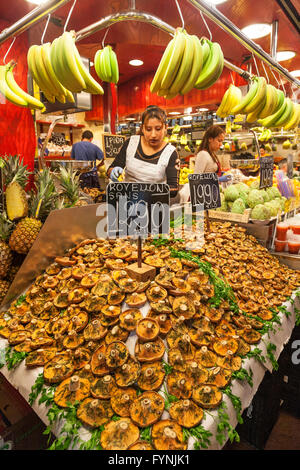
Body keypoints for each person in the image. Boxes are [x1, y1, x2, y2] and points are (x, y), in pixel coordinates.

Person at [107, 106, 179, 198]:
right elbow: (110, 169)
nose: (153, 135)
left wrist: (143, 191)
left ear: (166, 127)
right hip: (127, 205)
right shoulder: (131, 143)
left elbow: (174, 189)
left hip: (155, 208)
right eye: (148, 129)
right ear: (142, 128)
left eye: (158, 129)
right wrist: (113, 171)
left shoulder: (170, 152)